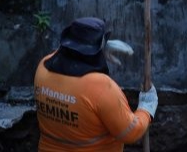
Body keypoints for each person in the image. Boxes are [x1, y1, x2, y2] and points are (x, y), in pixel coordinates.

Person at [34, 17, 158, 151]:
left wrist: (101, 48)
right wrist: (146, 108)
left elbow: (62, 54)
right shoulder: (101, 87)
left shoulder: (42, 68)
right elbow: (130, 132)